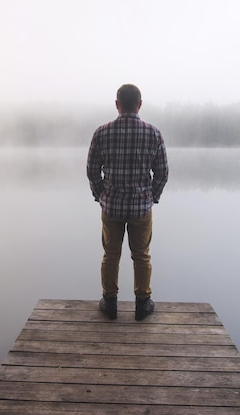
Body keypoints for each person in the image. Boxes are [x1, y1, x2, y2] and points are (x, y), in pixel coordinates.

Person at [86, 84, 169, 321]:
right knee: (141, 255)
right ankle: (142, 304)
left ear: (117, 104)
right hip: (141, 208)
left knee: (110, 254)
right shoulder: (153, 133)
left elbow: (92, 171)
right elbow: (162, 173)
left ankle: (109, 302)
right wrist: (151, 197)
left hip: (111, 206)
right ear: (140, 104)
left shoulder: (101, 133)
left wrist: (101, 195)